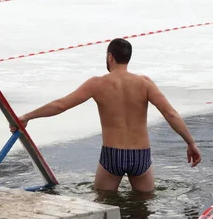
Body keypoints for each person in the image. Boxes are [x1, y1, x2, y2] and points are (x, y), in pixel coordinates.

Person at [12, 38, 201, 192]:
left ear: (110, 57)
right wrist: (190, 142)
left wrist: (27, 116)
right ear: (128, 58)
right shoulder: (145, 83)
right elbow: (170, 114)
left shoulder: (97, 84)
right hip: (140, 155)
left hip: (113, 154)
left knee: (104, 207)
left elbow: (60, 105)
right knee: (143, 209)